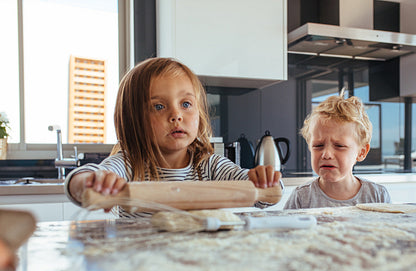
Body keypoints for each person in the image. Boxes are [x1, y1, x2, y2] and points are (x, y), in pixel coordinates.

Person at [65, 57, 281, 217]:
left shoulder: (210, 165)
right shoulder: (130, 165)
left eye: (186, 104)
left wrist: (264, 181)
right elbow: (79, 181)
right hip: (141, 263)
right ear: (133, 119)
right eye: (159, 106)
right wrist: (90, 183)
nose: (176, 115)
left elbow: (265, 197)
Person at [284, 90, 390, 209]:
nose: (326, 154)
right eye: (318, 145)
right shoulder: (301, 197)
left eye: (339, 146)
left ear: (361, 152)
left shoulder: (377, 196)